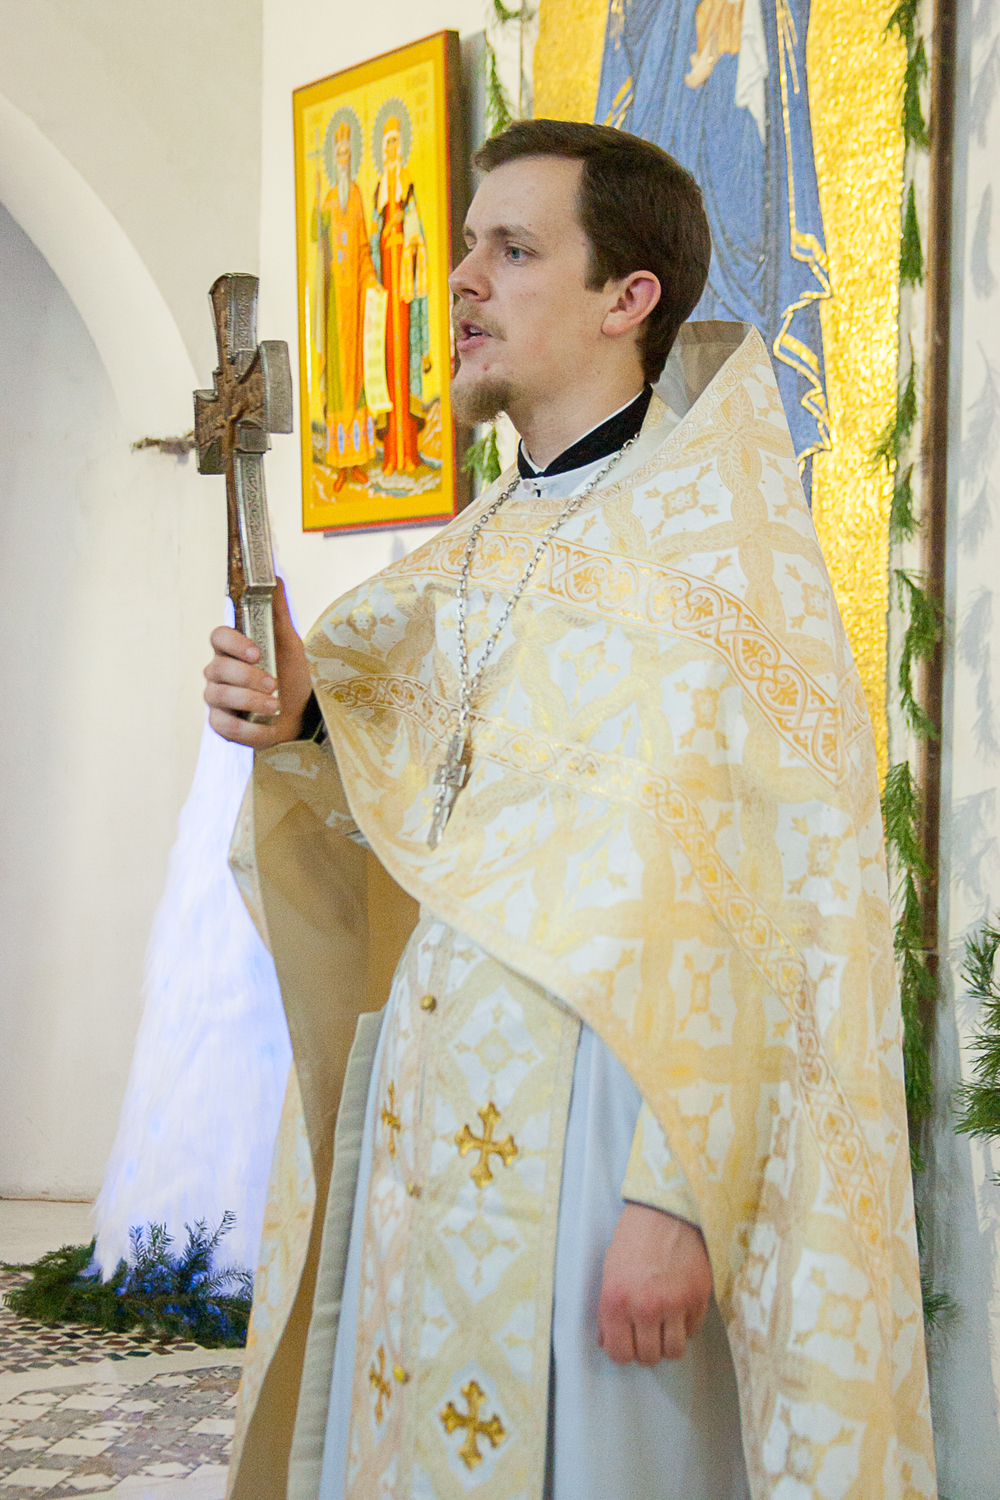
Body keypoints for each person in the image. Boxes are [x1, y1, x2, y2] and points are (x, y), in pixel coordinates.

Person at [206, 121, 934, 1500]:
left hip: (599, 1147)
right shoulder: (484, 543)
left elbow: (777, 915)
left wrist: (676, 1202)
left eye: (514, 249)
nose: (463, 281)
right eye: (468, 247)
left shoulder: (722, 563)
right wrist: (306, 720)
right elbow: (425, 818)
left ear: (627, 296)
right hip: (431, 1138)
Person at [313, 117, 381, 489]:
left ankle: (357, 460)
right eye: (338, 154)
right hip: (334, 307)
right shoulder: (327, 200)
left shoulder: (355, 195)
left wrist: (371, 281)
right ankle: (340, 463)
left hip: (355, 302)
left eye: (347, 154)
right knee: (338, 387)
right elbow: (318, 247)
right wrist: (315, 207)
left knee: (357, 383)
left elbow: (363, 248)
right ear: (332, 159)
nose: (343, 159)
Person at [371, 110, 428, 476]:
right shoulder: (379, 186)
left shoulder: (406, 180)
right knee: (385, 361)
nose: (391, 148)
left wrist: (406, 235)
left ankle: (407, 450)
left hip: (403, 285)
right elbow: (373, 237)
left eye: (395, 142)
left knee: (403, 361)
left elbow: (417, 228)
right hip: (385, 285)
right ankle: (391, 451)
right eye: (387, 143)